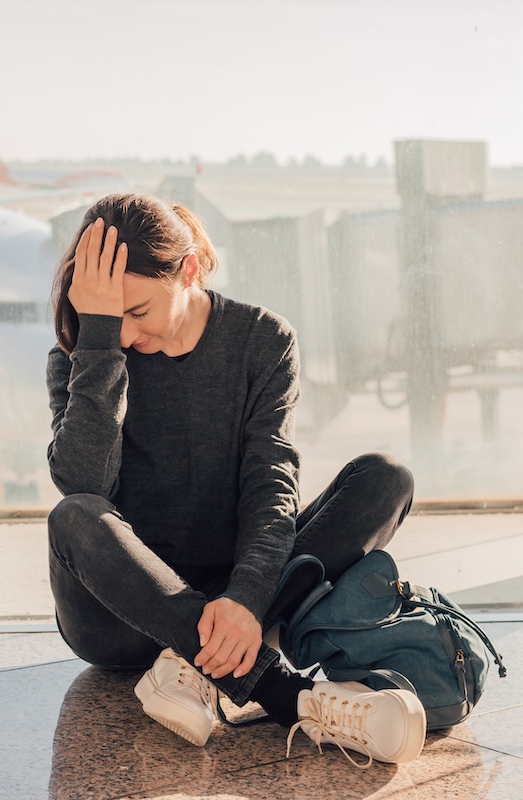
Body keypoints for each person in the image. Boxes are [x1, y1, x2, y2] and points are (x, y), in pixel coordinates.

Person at [45, 192, 426, 768]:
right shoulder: (88, 353)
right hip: (122, 617)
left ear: (188, 269)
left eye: (136, 312)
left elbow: (271, 486)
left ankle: (195, 660)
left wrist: (245, 599)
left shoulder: (263, 341)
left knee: (385, 478)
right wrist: (96, 344)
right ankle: (284, 695)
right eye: (108, 315)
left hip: (240, 603)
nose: (122, 334)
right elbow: (83, 482)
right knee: (73, 516)